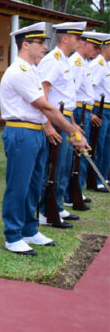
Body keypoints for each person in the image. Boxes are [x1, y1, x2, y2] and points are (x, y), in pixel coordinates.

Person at [0, 22, 88, 255]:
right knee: (18, 185)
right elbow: (45, 106)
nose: (44, 47)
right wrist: (73, 131)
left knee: (34, 184)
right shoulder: (18, 71)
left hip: (35, 130)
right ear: (25, 44)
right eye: (40, 43)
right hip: (22, 132)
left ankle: (29, 229)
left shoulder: (32, 70)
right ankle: (13, 235)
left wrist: (70, 128)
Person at [36, 21, 84, 228]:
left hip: (64, 118)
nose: (80, 42)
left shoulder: (64, 60)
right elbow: (43, 93)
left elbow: (66, 98)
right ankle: (44, 211)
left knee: (63, 166)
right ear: (65, 38)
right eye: (77, 38)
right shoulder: (53, 60)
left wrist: (72, 124)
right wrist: (48, 125)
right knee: (52, 167)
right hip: (54, 120)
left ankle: (57, 205)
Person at [68, 31, 102, 207]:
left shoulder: (84, 63)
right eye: (94, 46)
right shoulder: (76, 63)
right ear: (83, 44)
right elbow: (70, 92)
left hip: (85, 111)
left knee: (82, 153)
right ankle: (72, 193)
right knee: (77, 154)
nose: (97, 50)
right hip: (78, 111)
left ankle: (77, 191)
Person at [87, 32, 110, 192]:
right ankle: (96, 179)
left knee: (107, 145)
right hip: (99, 109)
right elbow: (90, 88)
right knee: (99, 145)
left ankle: (104, 177)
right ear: (106, 47)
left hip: (107, 109)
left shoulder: (106, 64)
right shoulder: (98, 65)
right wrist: (91, 112)